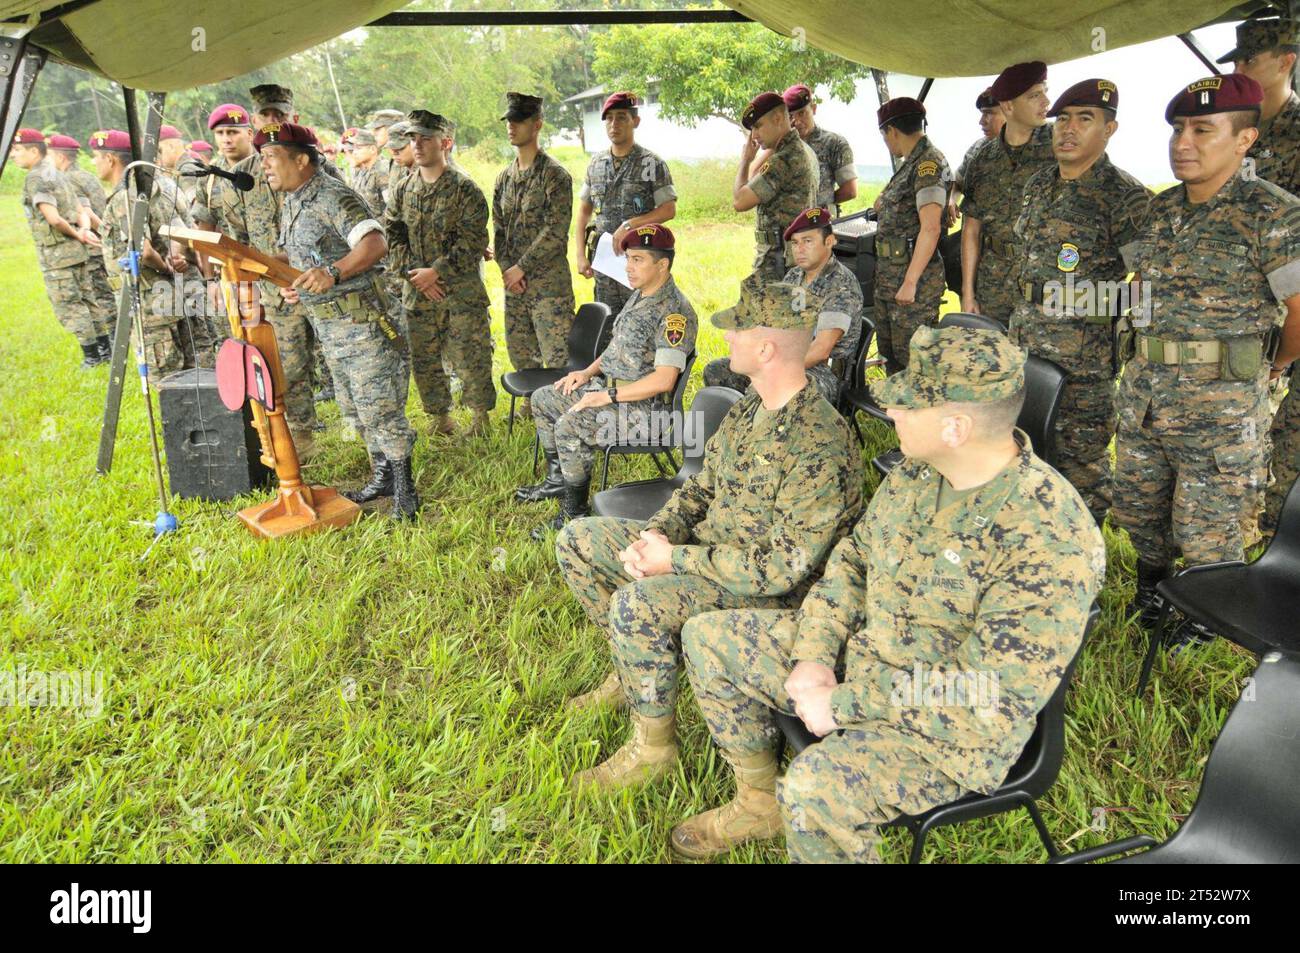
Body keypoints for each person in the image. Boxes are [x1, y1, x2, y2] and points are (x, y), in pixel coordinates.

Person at [672, 326, 1104, 862]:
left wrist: (845, 703)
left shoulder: (1048, 534)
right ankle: (758, 802)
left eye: (906, 406)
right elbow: (852, 562)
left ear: (956, 427)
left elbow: (986, 695)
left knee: (816, 789)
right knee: (710, 639)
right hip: (868, 658)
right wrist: (813, 654)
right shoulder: (919, 473)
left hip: (946, 731)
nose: (891, 413)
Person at [556, 280, 863, 791]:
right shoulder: (751, 404)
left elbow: (779, 570)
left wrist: (673, 560)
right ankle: (634, 672)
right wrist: (654, 536)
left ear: (766, 349)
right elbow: (699, 488)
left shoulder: (819, 443)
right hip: (711, 555)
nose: (727, 340)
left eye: (737, 331)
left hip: (771, 591)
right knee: (579, 540)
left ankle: (654, 749)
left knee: (639, 604)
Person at [1114, 75, 1300, 648]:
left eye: (1202, 129)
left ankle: (1202, 620)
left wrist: (1271, 367)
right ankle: (1151, 590)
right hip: (1145, 395)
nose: (1183, 142)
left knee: (1206, 523)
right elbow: (1138, 286)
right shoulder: (1160, 208)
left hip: (1221, 406)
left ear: (1244, 140)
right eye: (1177, 129)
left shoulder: (1272, 213)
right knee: (1141, 508)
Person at [256, 120, 419, 520]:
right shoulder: (293, 200)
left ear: (301, 159)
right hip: (331, 328)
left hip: (364, 325)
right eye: (262, 159)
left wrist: (332, 272)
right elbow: (301, 261)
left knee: (380, 409)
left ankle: (405, 493)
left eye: (272, 157)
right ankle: (382, 475)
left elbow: (374, 243)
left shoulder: (332, 195)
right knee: (355, 408)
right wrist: (283, 276)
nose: (265, 166)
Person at [1009, 79, 1152, 526]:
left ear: (1109, 129)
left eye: (1084, 119)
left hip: (1082, 362)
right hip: (1026, 342)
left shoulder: (1123, 197)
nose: (1068, 129)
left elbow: (1148, 281)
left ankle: (1084, 559)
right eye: (1062, 119)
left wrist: (1120, 327)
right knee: (1025, 447)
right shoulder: (1039, 183)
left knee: (1080, 464)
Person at [518, 224, 696, 538]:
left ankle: (573, 512)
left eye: (638, 260)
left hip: (644, 413)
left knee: (570, 425)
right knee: (544, 398)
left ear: (663, 264)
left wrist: (607, 397)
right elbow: (616, 349)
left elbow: (665, 380)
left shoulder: (674, 314)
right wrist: (587, 374)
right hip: (611, 391)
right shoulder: (640, 295)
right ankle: (559, 481)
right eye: (628, 258)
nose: (628, 267)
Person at [203, 90, 323, 459]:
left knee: (336, 354)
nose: (270, 121)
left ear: (292, 118)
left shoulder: (312, 165)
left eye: (278, 115)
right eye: (264, 115)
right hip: (273, 288)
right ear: (254, 120)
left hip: (320, 279)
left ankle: (359, 425)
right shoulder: (240, 177)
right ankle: (302, 433)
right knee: (290, 362)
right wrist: (238, 283)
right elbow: (235, 236)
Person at [1218, 17, 1300, 537]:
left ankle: (1272, 537)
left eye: (1251, 60)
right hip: (1236, 306)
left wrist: (1286, 353)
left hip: (1290, 306)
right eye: (1237, 61)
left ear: (1286, 61)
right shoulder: (1234, 132)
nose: (1240, 69)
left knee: (1284, 435)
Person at [384, 110, 495, 439]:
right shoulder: (403, 190)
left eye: (425, 138)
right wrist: (415, 276)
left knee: (470, 355)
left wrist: (437, 272)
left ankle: (479, 418)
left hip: (459, 292)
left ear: (445, 143)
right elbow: (392, 236)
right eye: (412, 138)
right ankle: (441, 418)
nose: (417, 145)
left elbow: (474, 240)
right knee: (426, 358)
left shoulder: (465, 190)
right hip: (418, 293)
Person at [702, 206, 862, 403]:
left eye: (808, 241)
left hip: (821, 371)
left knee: (769, 386)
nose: (799, 249)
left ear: (829, 242)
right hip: (782, 358)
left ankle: (761, 428)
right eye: (795, 243)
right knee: (717, 371)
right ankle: (739, 428)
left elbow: (821, 349)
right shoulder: (795, 275)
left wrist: (771, 371)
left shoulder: (841, 286)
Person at [91, 129, 203, 379]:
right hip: (175, 295)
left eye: (96, 156)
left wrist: (165, 267)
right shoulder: (163, 185)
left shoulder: (126, 198)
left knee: (165, 379)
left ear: (110, 159)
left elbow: (142, 250)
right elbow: (185, 231)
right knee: (190, 372)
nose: (94, 162)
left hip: (149, 302)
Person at [492, 92, 576, 394]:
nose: (511, 126)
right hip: (515, 285)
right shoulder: (504, 179)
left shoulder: (555, 176)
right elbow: (499, 230)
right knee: (522, 350)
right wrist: (507, 270)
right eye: (509, 121)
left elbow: (555, 232)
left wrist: (521, 268)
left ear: (537, 125)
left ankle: (559, 408)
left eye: (519, 121)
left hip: (547, 286)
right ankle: (530, 404)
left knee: (556, 353)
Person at [959, 61, 1055, 321]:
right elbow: (971, 230)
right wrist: (968, 292)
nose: (1047, 102)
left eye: (1045, 91)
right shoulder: (982, 159)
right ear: (1009, 106)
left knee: (1039, 362)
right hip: (994, 284)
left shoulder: (1061, 147)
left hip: (1046, 286)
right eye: (1035, 95)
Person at [10, 128, 109, 367]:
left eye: (18, 149)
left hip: (58, 255)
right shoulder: (57, 172)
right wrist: (84, 231)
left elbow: (53, 218)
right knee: (88, 301)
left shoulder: (36, 177)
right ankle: (105, 350)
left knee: (70, 305)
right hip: (77, 253)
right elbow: (80, 209)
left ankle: (92, 357)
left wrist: (77, 233)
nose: (13, 155)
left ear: (34, 150)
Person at [574, 91, 676, 317]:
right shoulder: (596, 163)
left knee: (642, 321)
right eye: (609, 118)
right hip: (605, 264)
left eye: (621, 117)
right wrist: (580, 254)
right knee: (607, 324)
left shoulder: (651, 163)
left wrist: (631, 224)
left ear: (635, 121)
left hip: (642, 263)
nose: (614, 124)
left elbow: (669, 209)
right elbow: (583, 212)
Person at [872, 97, 950, 373]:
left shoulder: (928, 163)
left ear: (892, 131)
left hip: (911, 280)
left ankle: (921, 416)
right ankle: (896, 415)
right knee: (892, 356)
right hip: (890, 275)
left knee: (916, 362)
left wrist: (910, 281)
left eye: (884, 135)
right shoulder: (911, 163)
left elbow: (931, 227)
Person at [732, 91, 818, 283]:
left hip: (779, 264)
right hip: (791, 258)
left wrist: (745, 161)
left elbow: (739, 201)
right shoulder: (803, 150)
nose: (754, 135)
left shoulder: (784, 159)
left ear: (778, 118)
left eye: (758, 126)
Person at [46, 133, 118, 349]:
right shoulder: (85, 175)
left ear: (60, 157)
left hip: (93, 246)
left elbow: (87, 212)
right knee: (106, 295)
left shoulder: (68, 180)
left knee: (102, 298)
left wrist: (106, 237)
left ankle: (114, 346)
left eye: (49, 156)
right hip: (99, 243)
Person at [782, 84, 857, 215]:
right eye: (791, 117)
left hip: (821, 224)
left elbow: (850, 190)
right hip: (789, 226)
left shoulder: (834, 143)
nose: (797, 121)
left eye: (802, 113)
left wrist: (822, 204)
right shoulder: (782, 147)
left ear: (814, 109)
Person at [946, 88, 1005, 227]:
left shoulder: (1038, 148)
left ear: (1010, 111)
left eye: (989, 113)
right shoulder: (977, 148)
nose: (981, 121)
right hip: (975, 238)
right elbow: (958, 182)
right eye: (982, 114)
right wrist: (952, 200)